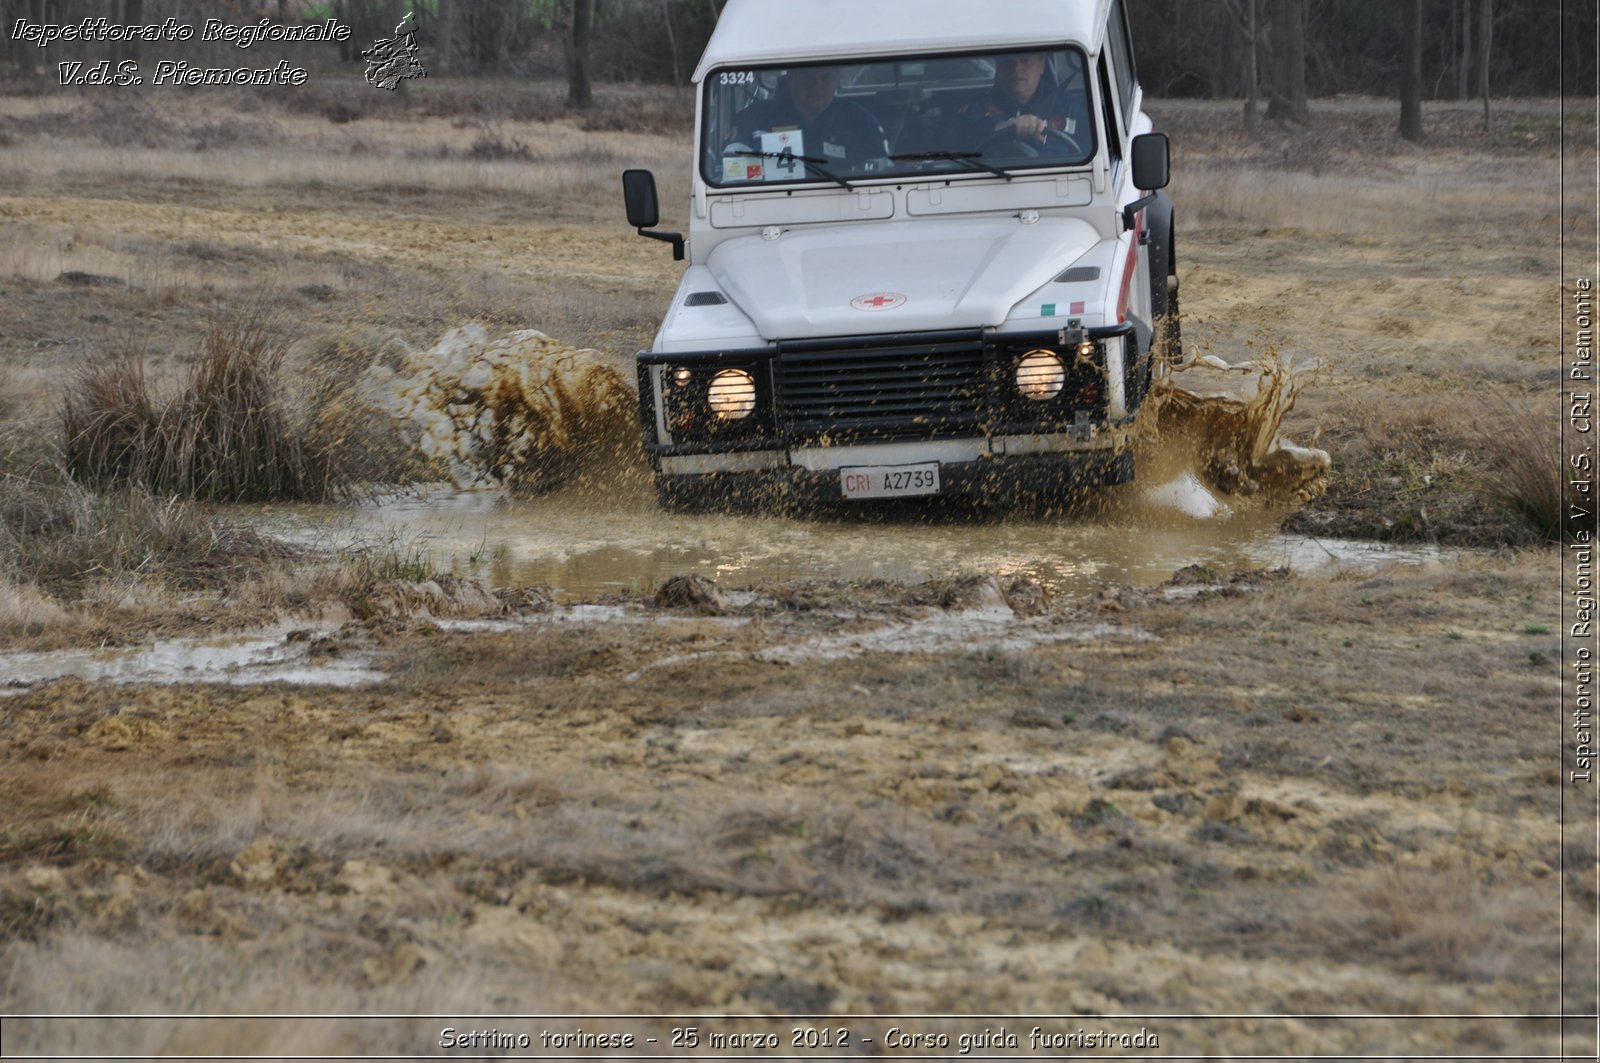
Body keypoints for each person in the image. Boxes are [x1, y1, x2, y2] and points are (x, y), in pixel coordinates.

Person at [723, 66, 890, 179]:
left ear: (835, 81)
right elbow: (730, 168)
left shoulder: (860, 122)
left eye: (824, 77)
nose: (817, 85)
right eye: (807, 77)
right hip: (771, 205)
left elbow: (883, 172)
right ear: (790, 81)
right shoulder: (756, 118)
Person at [944, 52, 1092, 158]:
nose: (1016, 69)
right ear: (998, 65)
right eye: (1008, 61)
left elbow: (1093, 151)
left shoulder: (1070, 106)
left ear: (1042, 65)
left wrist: (1046, 132)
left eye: (1025, 60)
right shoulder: (978, 105)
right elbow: (955, 139)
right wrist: (1004, 126)